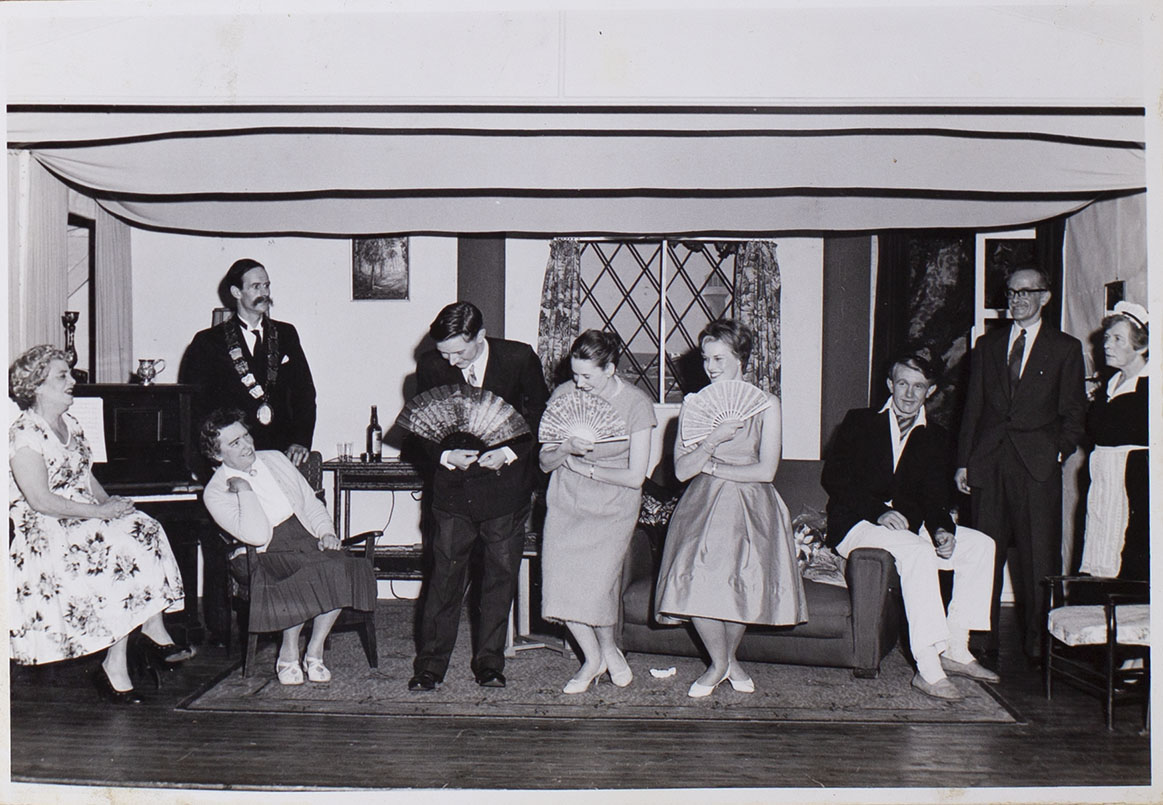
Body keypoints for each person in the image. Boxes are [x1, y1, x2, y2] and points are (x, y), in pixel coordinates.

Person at [9, 346, 186, 704]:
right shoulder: (24, 433)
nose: (72, 381)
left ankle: (142, 637)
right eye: (63, 376)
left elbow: (85, 477)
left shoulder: (70, 424)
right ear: (37, 385)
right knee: (110, 546)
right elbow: (40, 500)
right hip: (46, 526)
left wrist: (109, 504)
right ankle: (121, 659)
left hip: (83, 514)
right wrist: (99, 514)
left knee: (144, 526)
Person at [822, 353, 999, 700]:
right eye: (902, 383)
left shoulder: (935, 436)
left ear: (929, 392)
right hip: (857, 524)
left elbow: (934, 498)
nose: (908, 393)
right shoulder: (859, 422)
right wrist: (877, 512)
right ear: (890, 384)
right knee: (916, 550)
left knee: (980, 546)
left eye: (918, 387)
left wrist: (943, 530)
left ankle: (956, 650)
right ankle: (929, 669)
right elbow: (836, 478)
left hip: (908, 529)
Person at [655, 319, 807, 698]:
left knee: (743, 584)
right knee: (695, 578)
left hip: (752, 503)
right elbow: (682, 470)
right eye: (706, 359)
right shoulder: (692, 406)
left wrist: (714, 466)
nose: (711, 367)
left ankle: (721, 664)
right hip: (703, 503)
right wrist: (713, 440)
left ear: (741, 359)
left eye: (720, 358)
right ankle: (725, 663)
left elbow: (766, 470)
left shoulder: (767, 404)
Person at [408, 301, 548, 691]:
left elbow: (539, 413)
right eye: (444, 352)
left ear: (480, 337)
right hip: (452, 492)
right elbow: (421, 426)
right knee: (444, 580)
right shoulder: (431, 366)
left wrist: (507, 452)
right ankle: (430, 666)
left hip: (506, 489)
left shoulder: (519, 358)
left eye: (459, 352)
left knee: (498, 580)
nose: (450, 361)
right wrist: (445, 455)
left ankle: (490, 663)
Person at [956, 267, 1087, 665]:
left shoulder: (1065, 348)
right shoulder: (987, 346)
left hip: (1037, 467)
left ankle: (1039, 642)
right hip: (989, 464)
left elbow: (1074, 412)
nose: (1018, 300)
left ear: (1045, 297)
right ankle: (981, 639)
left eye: (1027, 292)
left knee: (1038, 559)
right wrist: (963, 463)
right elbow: (972, 409)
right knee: (984, 555)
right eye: (1012, 293)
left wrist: (1057, 452)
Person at [201, 408, 376, 685]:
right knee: (306, 571)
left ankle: (315, 650)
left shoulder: (275, 459)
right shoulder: (214, 492)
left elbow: (310, 503)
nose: (247, 445)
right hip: (259, 553)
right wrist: (244, 488)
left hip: (304, 537)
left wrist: (326, 533)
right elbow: (257, 536)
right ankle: (288, 652)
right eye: (235, 443)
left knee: (342, 566)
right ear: (217, 455)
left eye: (246, 436)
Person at [539, 330, 657, 693]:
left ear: (611, 368)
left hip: (613, 503)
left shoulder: (636, 403)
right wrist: (566, 449)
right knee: (560, 584)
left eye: (587, 376)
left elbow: (636, 476)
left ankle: (608, 651)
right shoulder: (564, 395)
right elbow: (545, 462)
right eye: (575, 375)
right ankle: (594, 657)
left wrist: (586, 468)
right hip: (567, 500)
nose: (579, 383)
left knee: (596, 586)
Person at [181, 258, 317, 467]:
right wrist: (210, 459)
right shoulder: (208, 341)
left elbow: (305, 394)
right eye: (255, 287)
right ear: (236, 292)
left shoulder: (286, 334)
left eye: (267, 285)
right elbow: (197, 407)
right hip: (232, 456)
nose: (264, 293)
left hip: (280, 454)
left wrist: (300, 441)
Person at [1079, 302, 1149, 581]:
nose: (1107, 344)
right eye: (1107, 337)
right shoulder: (1108, 384)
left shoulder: (1150, 386)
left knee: (1132, 553)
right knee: (1101, 552)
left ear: (1140, 347)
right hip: (1104, 479)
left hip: (1135, 479)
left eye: (1118, 339)